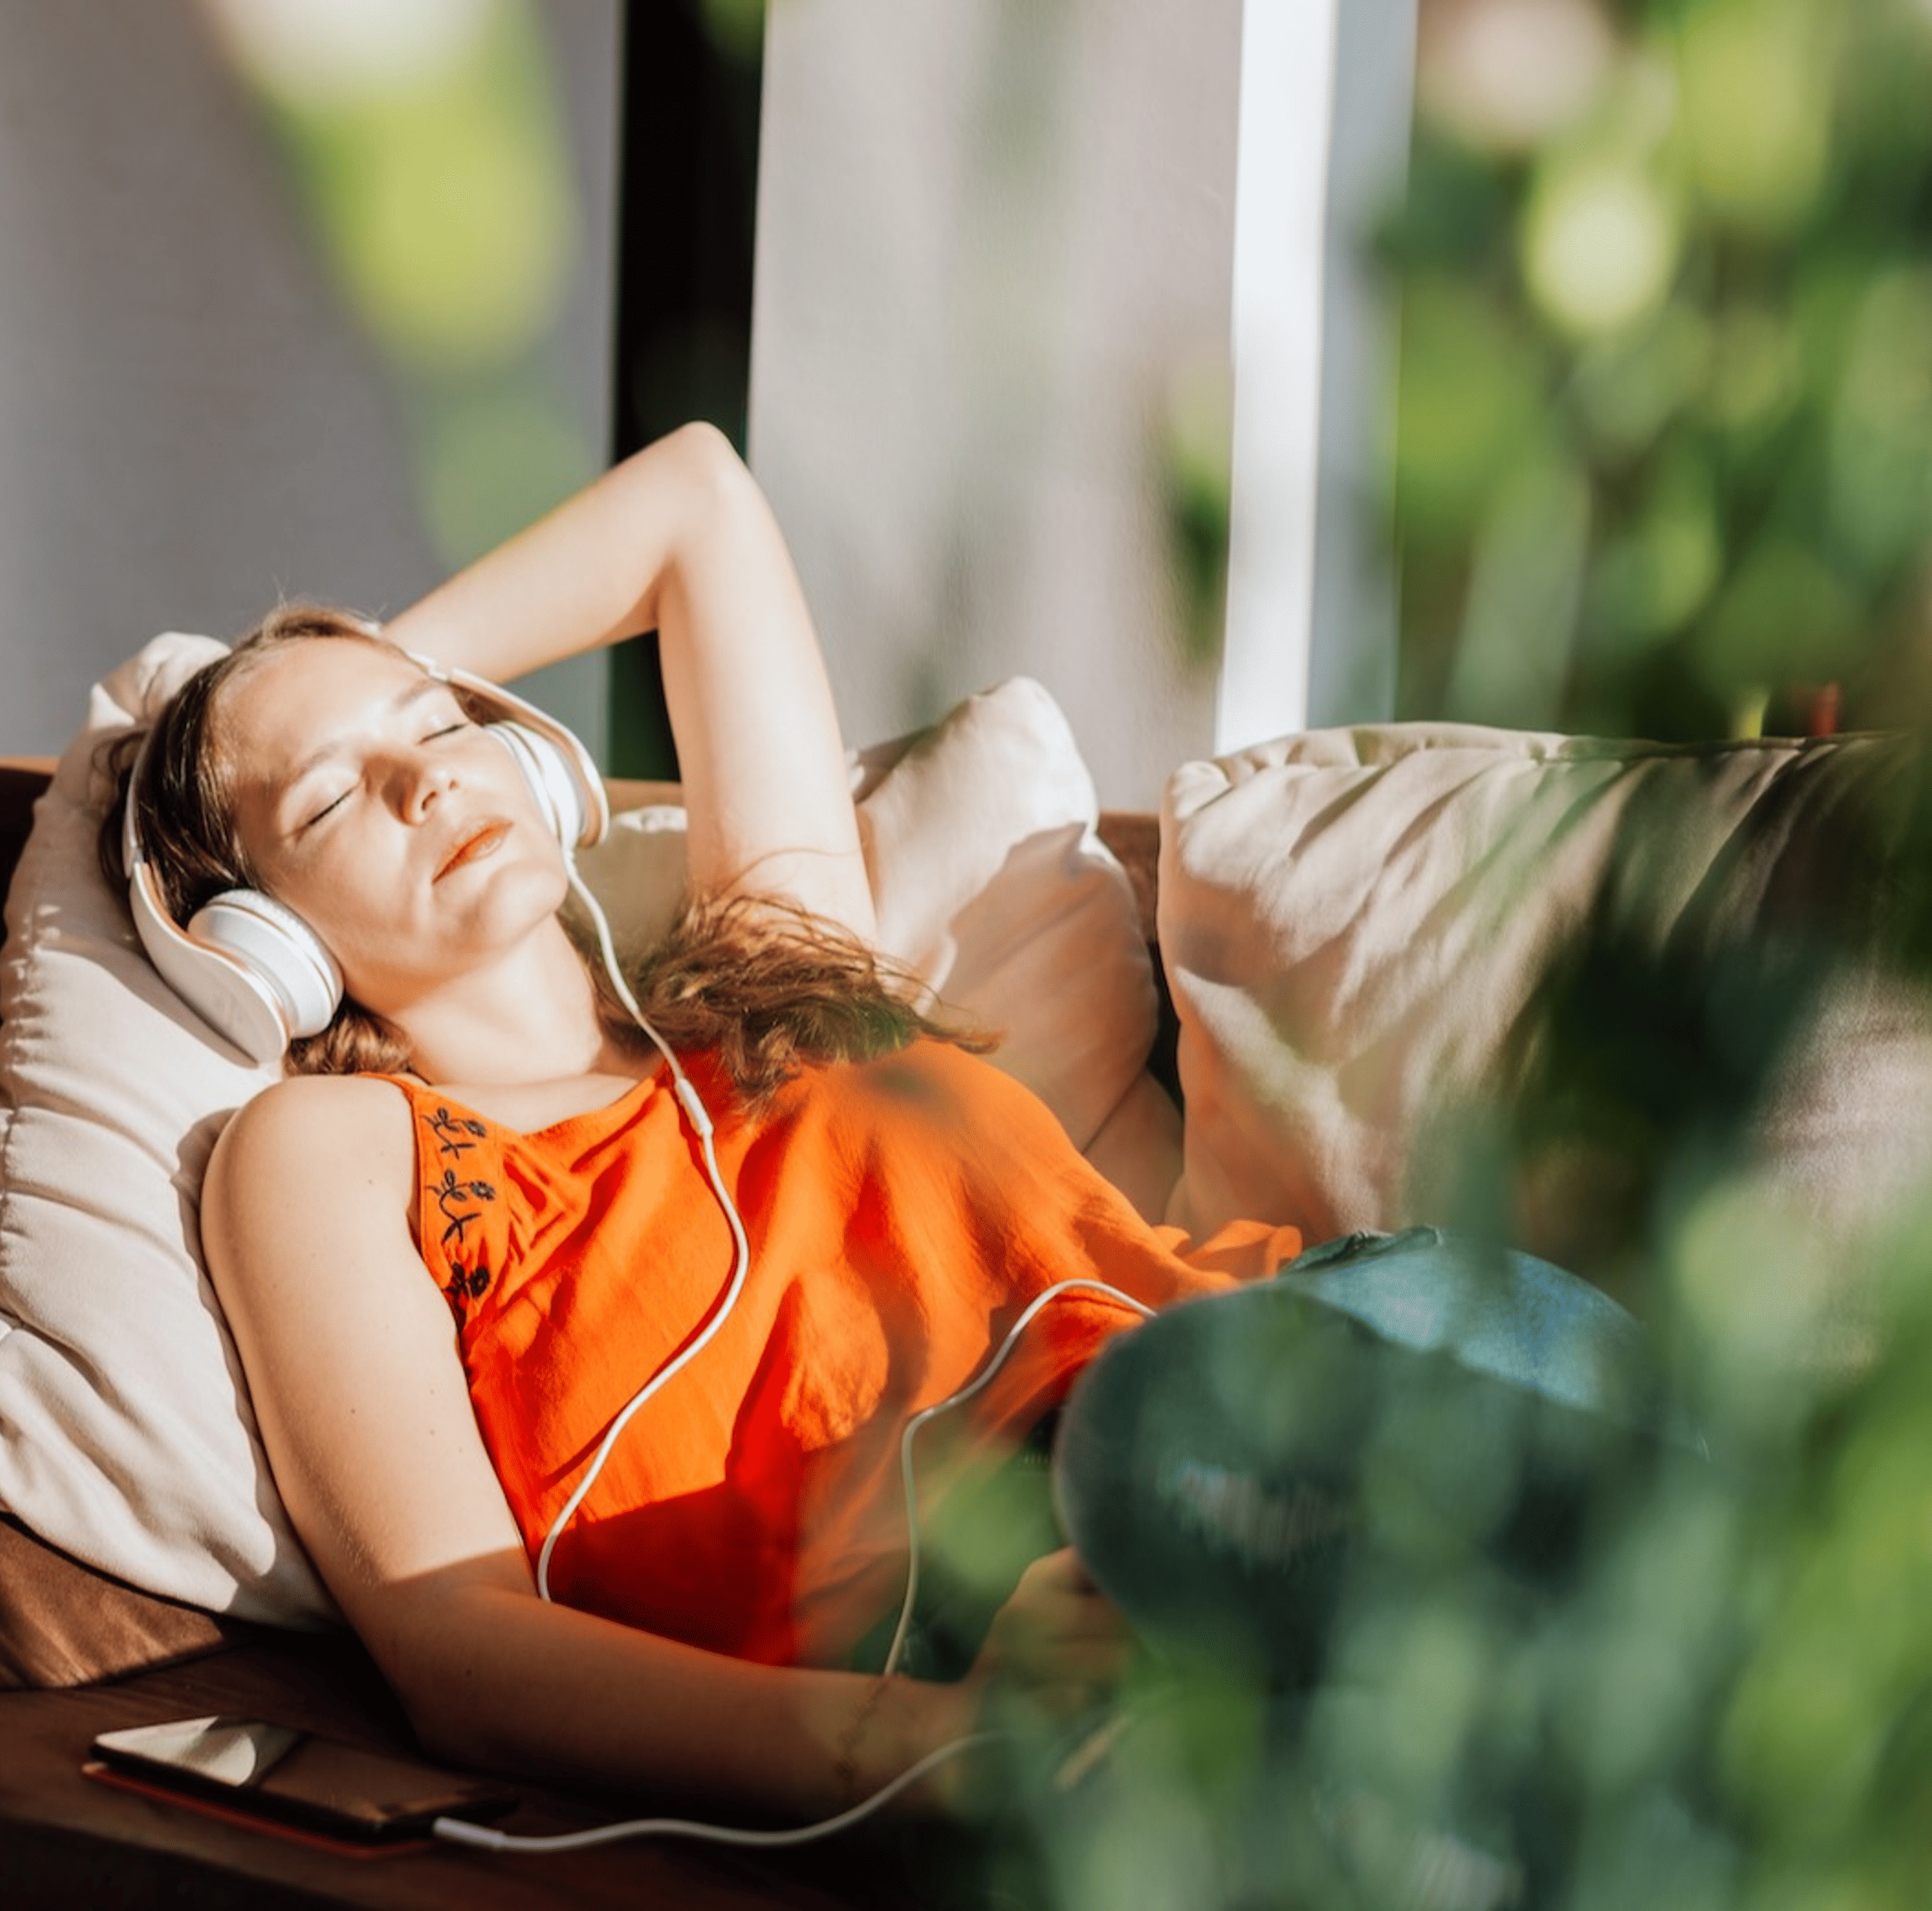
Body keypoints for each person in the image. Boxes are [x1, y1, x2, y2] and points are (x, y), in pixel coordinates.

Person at [105, 423, 1680, 1836]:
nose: (420, 787)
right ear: (260, 942)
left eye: (440, 734)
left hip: (1331, 1340)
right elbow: (459, 1646)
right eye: (326, 803)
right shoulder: (333, 1149)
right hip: (1052, 1578)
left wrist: (375, 682)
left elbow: (699, 504)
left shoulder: (772, 977)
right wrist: (934, 1736)